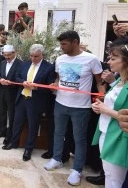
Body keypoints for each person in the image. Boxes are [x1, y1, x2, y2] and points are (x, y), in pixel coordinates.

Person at [44, 30, 104, 186]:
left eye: (64, 44)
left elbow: (99, 81)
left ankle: (77, 170)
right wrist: (54, 86)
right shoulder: (60, 59)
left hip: (81, 108)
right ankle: (57, 159)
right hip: (60, 103)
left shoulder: (91, 59)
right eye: (61, 44)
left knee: (80, 139)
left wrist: (102, 96)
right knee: (58, 133)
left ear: (75, 42)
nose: (61, 47)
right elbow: (59, 79)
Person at [3, 44, 55, 162]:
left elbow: (50, 87)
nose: (33, 59)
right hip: (22, 98)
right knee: (17, 122)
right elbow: (17, 77)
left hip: (35, 101)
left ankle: (28, 149)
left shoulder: (49, 67)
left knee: (33, 125)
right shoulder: (25, 64)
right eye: (31, 56)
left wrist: (37, 87)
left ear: (42, 55)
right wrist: (23, 82)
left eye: (36, 56)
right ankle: (14, 142)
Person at [91, 39, 128, 188]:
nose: (109, 61)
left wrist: (106, 110)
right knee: (109, 174)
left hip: (118, 137)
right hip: (105, 132)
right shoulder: (119, 81)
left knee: (116, 179)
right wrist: (100, 106)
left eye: (113, 58)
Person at [0, 45, 22, 143]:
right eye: (5, 55)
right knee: (2, 113)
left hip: (13, 93)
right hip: (2, 92)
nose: (7, 57)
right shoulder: (2, 63)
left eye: (9, 55)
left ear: (14, 53)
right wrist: (0, 79)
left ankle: (10, 135)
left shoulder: (20, 64)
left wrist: (11, 82)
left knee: (12, 115)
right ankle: (2, 131)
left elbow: (20, 79)